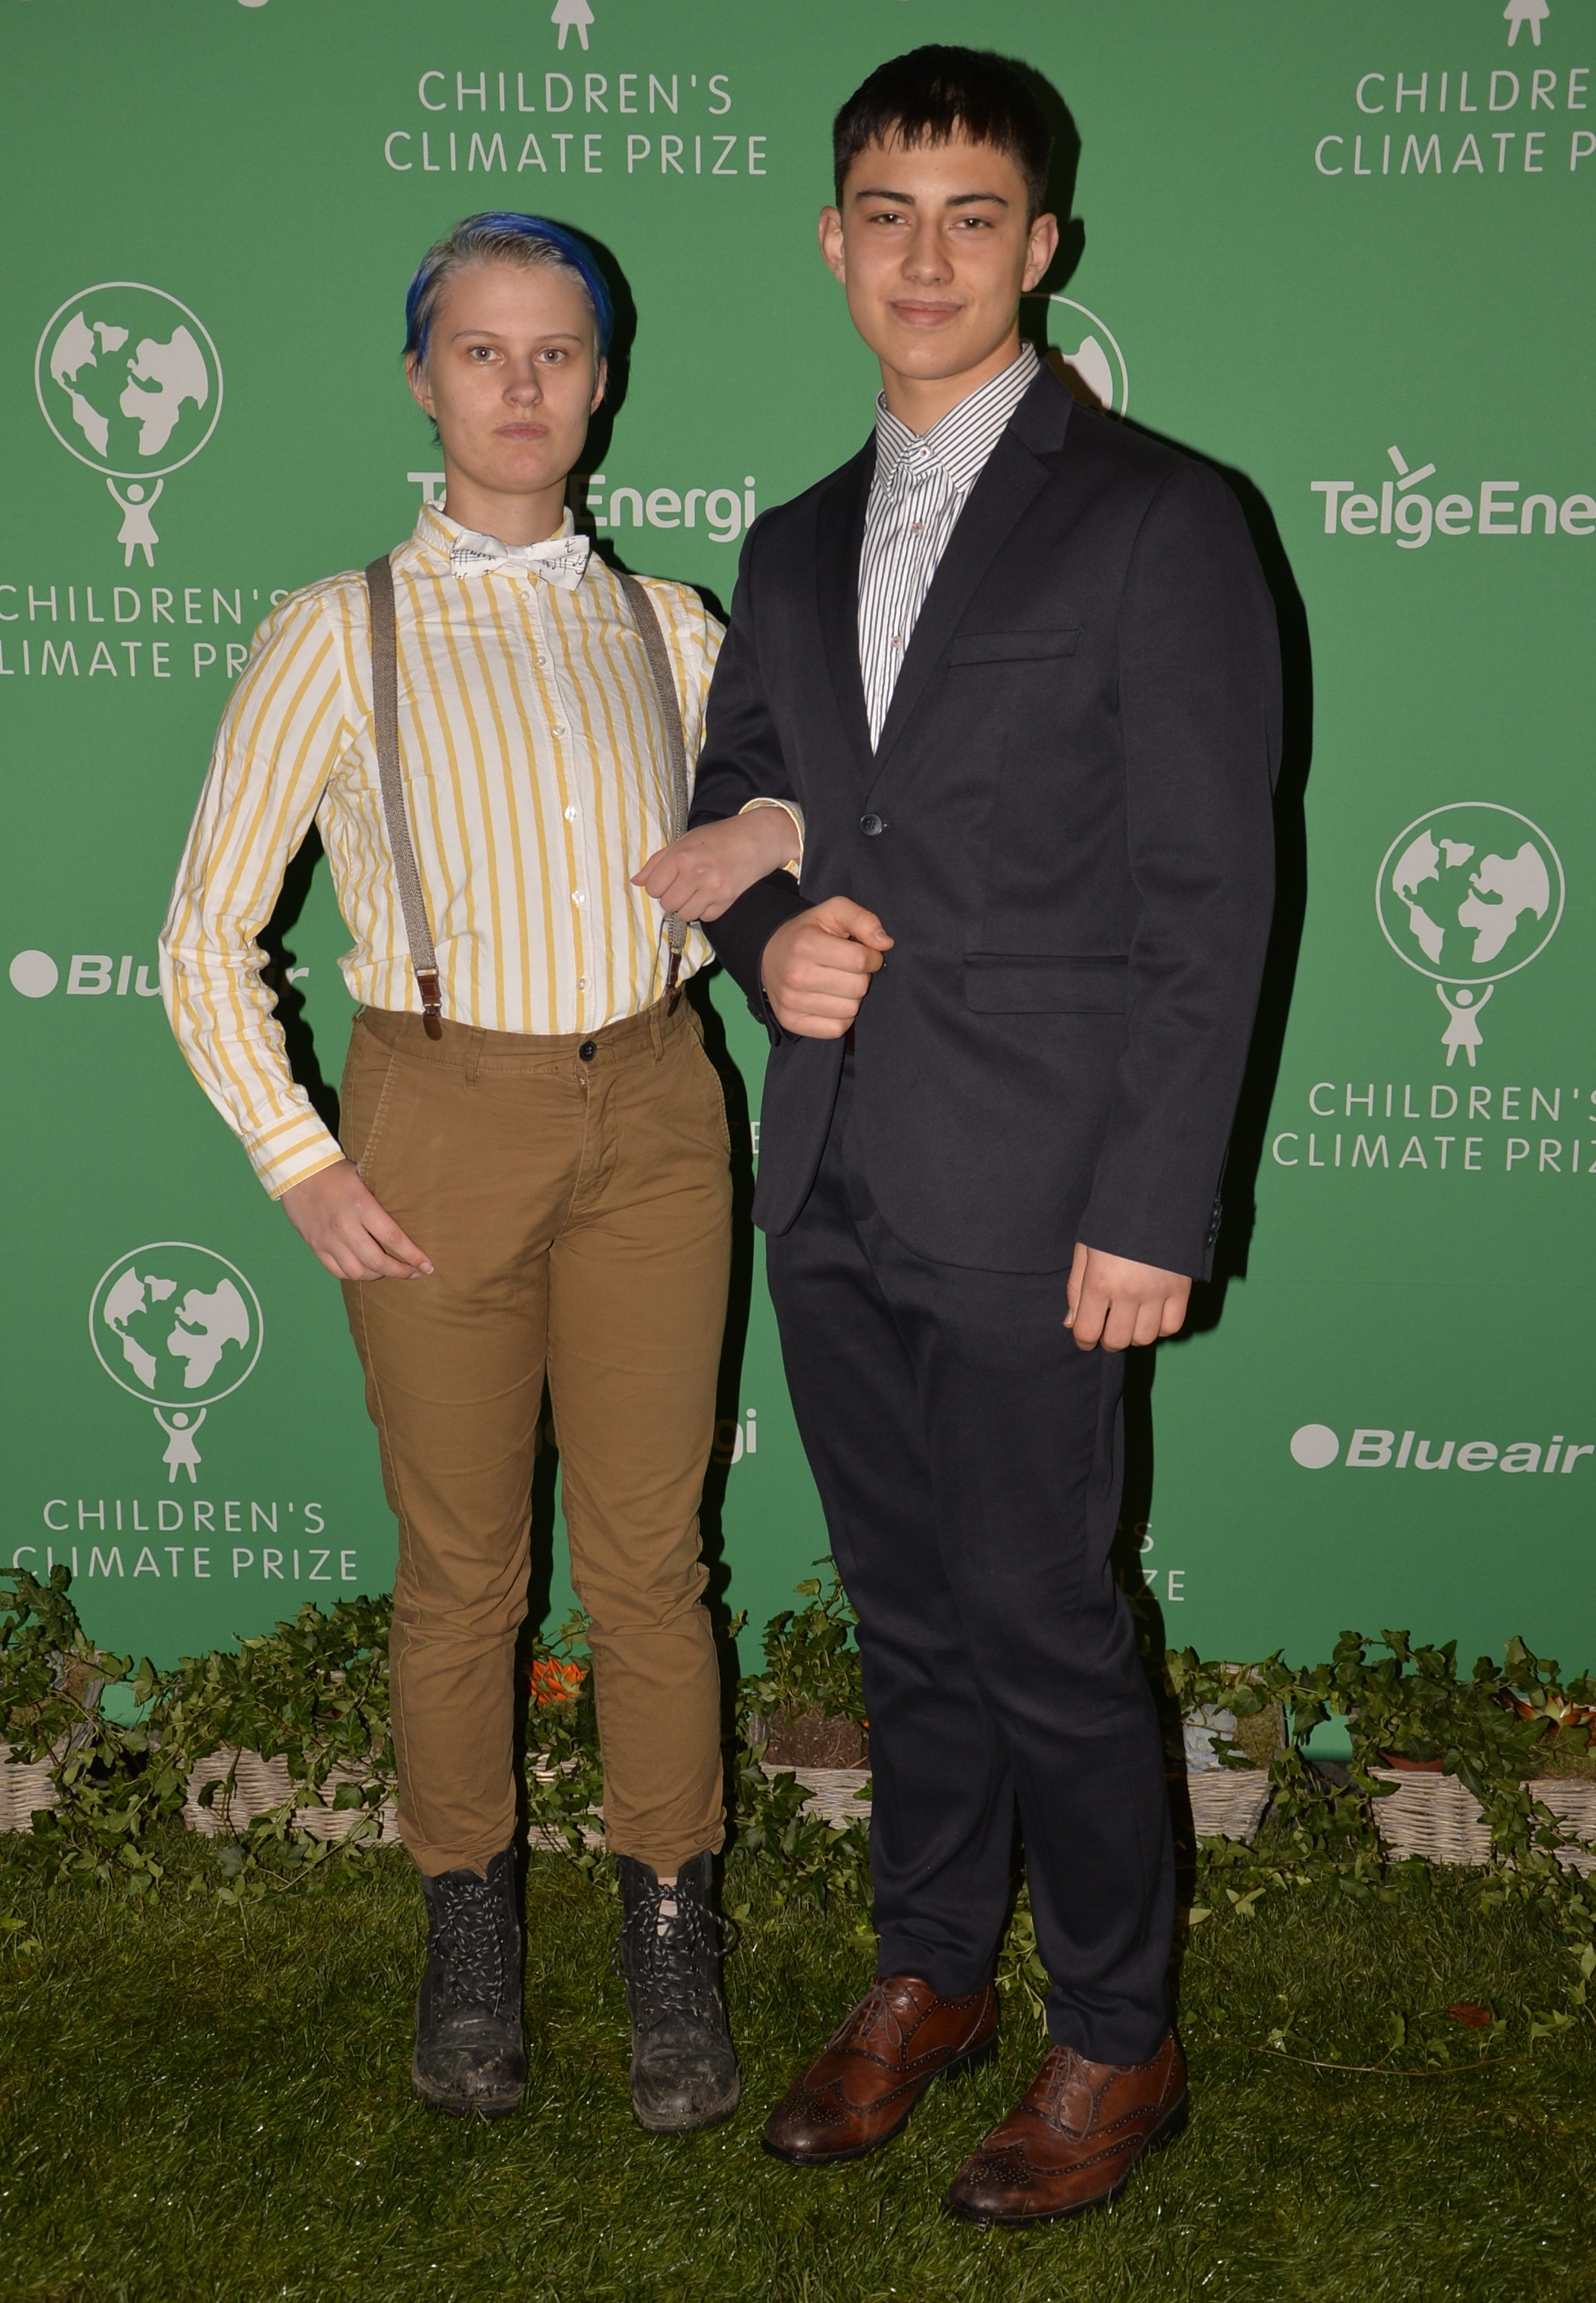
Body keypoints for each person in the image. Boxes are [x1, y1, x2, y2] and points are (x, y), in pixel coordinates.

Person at [684, 47, 1280, 2223]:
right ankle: (928, 1966)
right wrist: (767, 945)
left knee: (1040, 1616)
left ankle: (1117, 2026)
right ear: (830, 242)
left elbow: (1213, 893)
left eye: (969, 216)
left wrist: (1152, 1199)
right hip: (831, 1171)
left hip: (1045, 1194)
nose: (922, 256)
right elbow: (737, 802)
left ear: (1040, 246)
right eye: (884, 213)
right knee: (905, 1611)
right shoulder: (787, 542)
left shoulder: (1158, 515)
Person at [160, 211, 798, 2133]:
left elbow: (817, 812)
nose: (522, 384)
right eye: (481, 350)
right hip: (437, 1109)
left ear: (604, 382)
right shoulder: (333, 630)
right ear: (422, 379)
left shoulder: (676, 627)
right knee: (460, 1570)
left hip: (659, 1108)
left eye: (556, 351)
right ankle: (469, 1932)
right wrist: (298, 1156)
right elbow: (203, 935)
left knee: (655, 1562)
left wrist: (772, 815)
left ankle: (669, 1933)